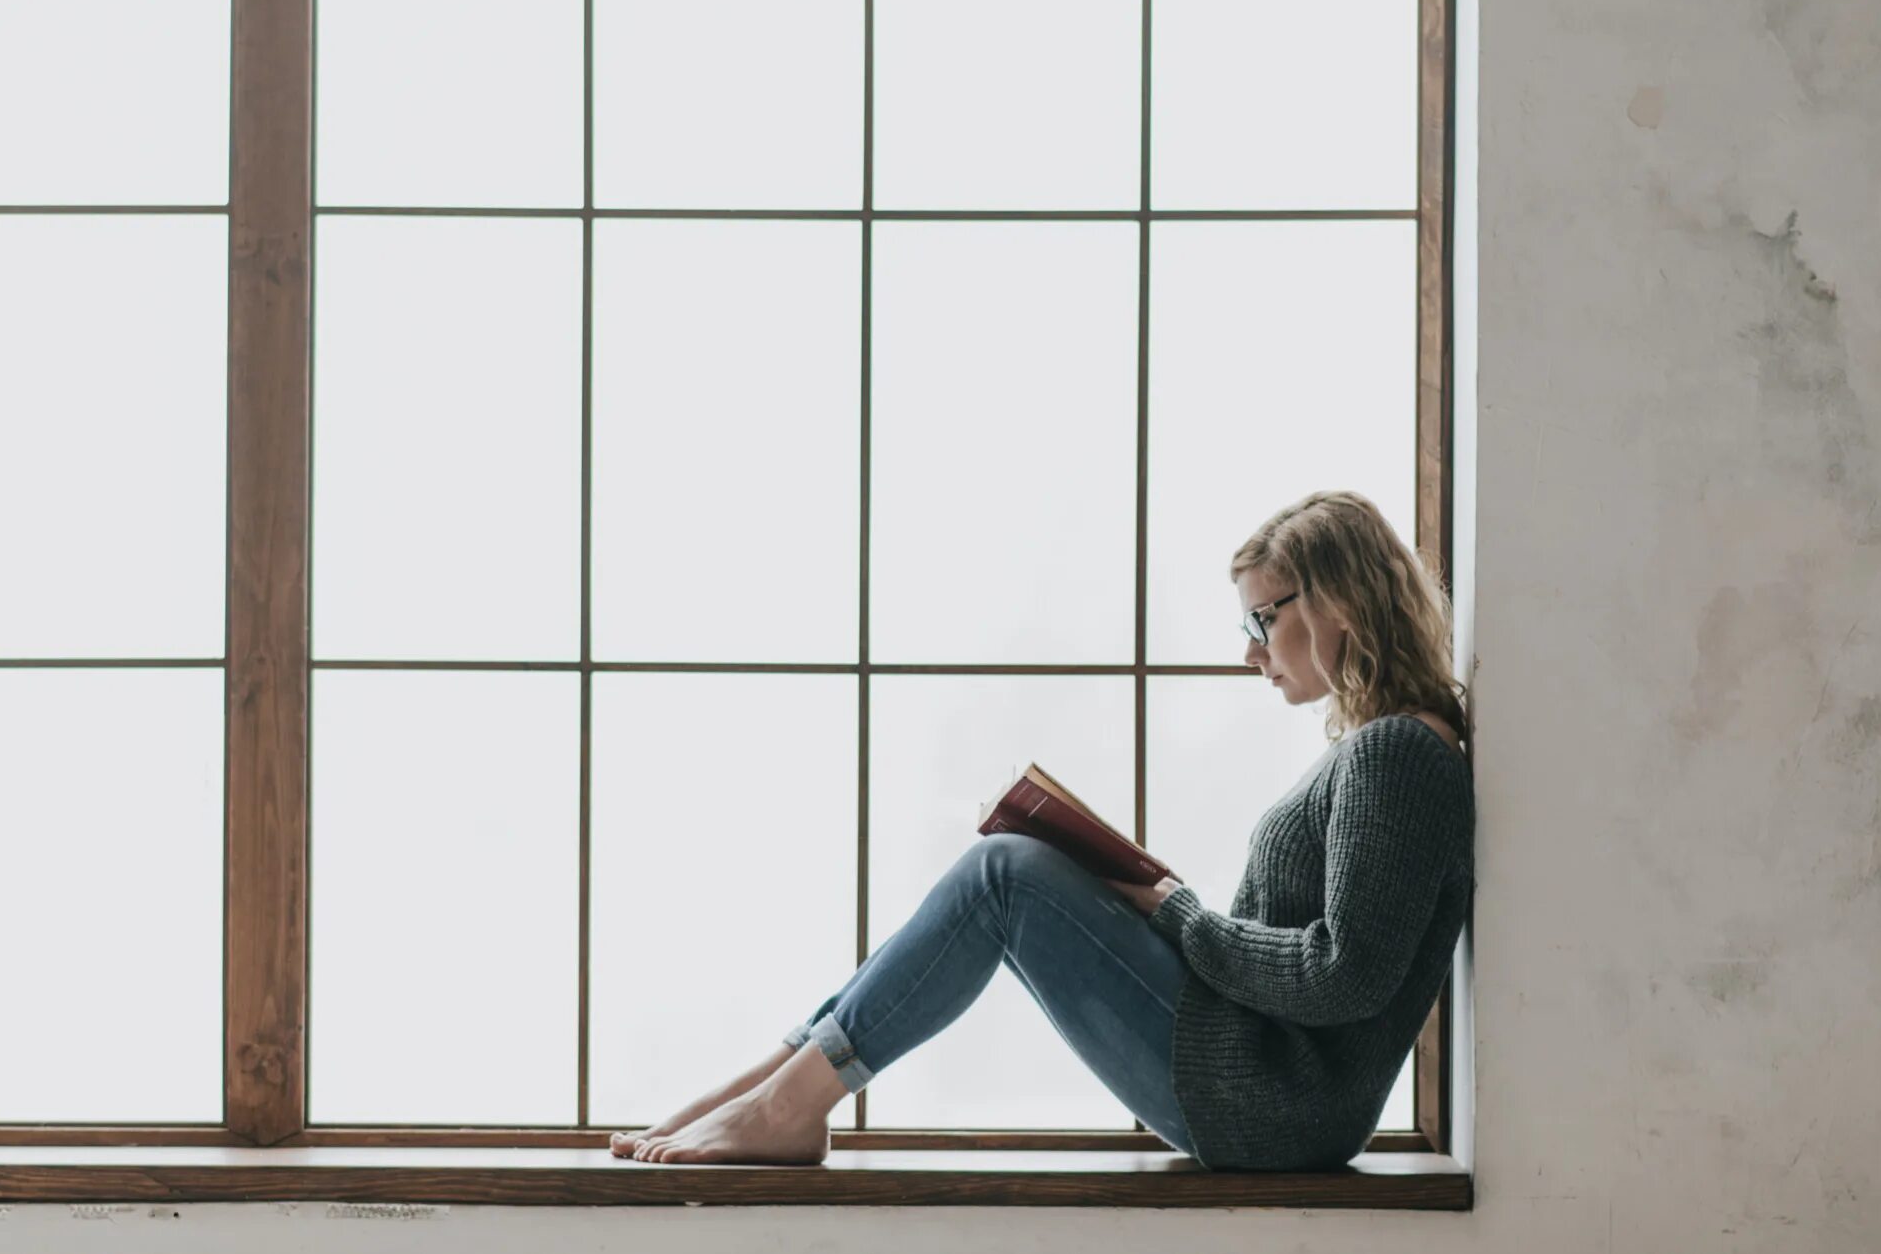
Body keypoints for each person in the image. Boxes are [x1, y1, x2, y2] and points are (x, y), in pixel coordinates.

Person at [609, 489, 1476, 1171]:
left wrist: (1175, 909)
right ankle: (779, 1079)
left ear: (1339, 603)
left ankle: (786, 1101)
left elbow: (1343, 976)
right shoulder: (1385, 750)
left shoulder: (1398, 753)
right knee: (1010, 866)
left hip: (1271, 1099)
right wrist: (1161, 903)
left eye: (1262, 619)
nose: (1250, 649)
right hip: (1255, 1071)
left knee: (1004, 874)